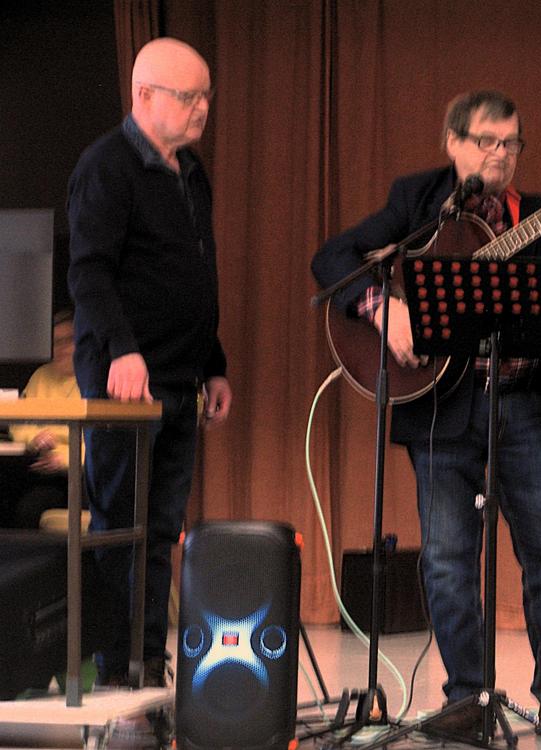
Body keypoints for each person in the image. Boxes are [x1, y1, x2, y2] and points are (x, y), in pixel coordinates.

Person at [312, 90, 541, 743]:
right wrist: (385, 309)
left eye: (511, 142)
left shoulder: (539, 214)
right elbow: (332, 260)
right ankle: (466, 698)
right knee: (448, 560)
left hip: (528, 408)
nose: (500, 153)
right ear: (452, 142)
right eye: (486, 140)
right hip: (441, 409)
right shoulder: (415, 202)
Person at [66, 37, 232, 688]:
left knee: (161, 530)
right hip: (126, 381)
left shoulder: (190, 171)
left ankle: (147, 667)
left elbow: (195, 275)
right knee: (121, 529)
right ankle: (115, 673)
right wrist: (123, 348)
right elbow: (89, 272)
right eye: (189, 97)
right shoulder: (106, 166)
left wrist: (213, 363)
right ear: (143, 95)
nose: (202, 109)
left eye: (206, 96)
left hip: (179, 379)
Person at [4, 310, 82, 529]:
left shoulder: (93, 378)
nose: (62, 348)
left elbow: (100, 444)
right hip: (38, 464)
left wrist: (63, 460)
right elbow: (18, 422)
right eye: (56, 342)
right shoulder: (41, 375)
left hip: (79, 475)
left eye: (69, 340)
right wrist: (35, 437)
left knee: (29, 508)